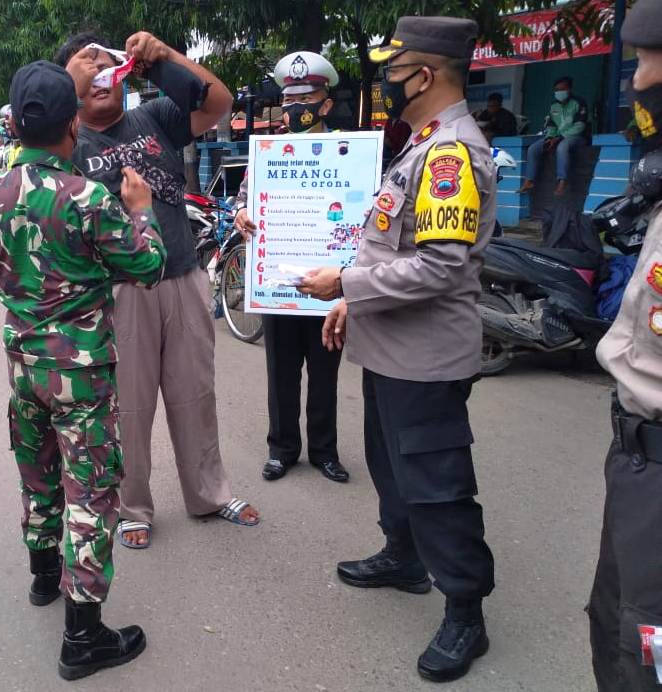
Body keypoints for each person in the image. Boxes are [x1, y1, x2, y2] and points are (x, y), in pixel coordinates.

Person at [0, 61, 166, 680]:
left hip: (24, 370)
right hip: (83, 374)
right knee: (91, 491)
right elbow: (147, 265)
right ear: (72, 122)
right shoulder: (89, 198)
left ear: (14, 124)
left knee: (37, 470)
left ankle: (44, 577)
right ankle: (84, 637)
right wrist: (142, 210)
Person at [298, 17, 497, 682]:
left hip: (426, 360)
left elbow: (440, 268)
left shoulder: (450, 157)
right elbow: (399, 250)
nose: (385, 78)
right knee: (391, 466)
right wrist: (355, 302)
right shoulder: (421, 144)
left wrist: (345, 283)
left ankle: (466, 610)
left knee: (437, 484)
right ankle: (402, 556)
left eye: (394, 66)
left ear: (427, 73)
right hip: (389, 351)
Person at [58, 31, 261, 550]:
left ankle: (209, 493)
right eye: (87, 68)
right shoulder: (67, 142)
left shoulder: (155, 117)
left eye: (108, 64)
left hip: (183, 276)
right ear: (70, 86)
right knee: (129, 405)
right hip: (118, 293)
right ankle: (133, 507)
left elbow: (219, 103)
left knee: (196, 393)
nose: (101, 73)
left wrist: (166, 56)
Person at [232, 50, 349, 484]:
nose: (296, 107)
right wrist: (241, 212)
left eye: (307, 97)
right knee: (280, 373)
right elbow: (244, 196)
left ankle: (324, 451)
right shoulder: (265, 152)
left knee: (324, 373)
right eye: (289, 99)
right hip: (278, 282)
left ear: (326, 103)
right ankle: (282, 449)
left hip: (327, 285)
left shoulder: (347, 153)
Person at [588, 4, 662, 689]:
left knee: (646, 654)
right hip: (635, 456)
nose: (634, 83)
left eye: (644, 62)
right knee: (617, 631)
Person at [518, 76, 589, 197]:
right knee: (533, 148)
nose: (559, 92)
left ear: (569, 89)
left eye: (563, 89)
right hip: (557, 137)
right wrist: (550, 138)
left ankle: (562, 181)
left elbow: (580, 126)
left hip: (576, 137)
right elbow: (551, 126)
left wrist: (560, 138)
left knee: (562, 147)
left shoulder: (578, 103)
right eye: (557, 90)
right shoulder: (554, 105)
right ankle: (529, 180)